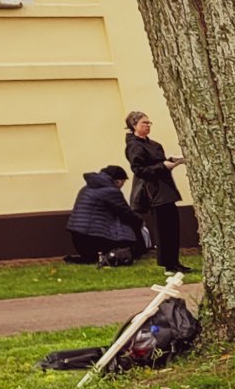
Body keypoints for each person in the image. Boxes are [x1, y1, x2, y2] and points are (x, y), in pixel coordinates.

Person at [123, 110, 184, 273]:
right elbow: (140, 170)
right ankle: (168, 264)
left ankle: (174, 261)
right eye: (144, 123)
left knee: (173, 227)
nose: (148, 126)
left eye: (149, 123)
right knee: (163, 229)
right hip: (154, 192)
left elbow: (157, 162)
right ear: (134, 126)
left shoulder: (154, 145)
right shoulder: (134, 146)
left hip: (165, 189)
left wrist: (170, 161)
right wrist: (162, 166)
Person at [65, 166, 145, 266]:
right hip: (91, 237)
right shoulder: (111, 191)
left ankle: (88, 257)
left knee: (92, 257)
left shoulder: (86, 188)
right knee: (127, 242)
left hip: (77, 236)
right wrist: (140, 222)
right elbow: (126, 213)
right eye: (123, 183)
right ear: (118, 181)